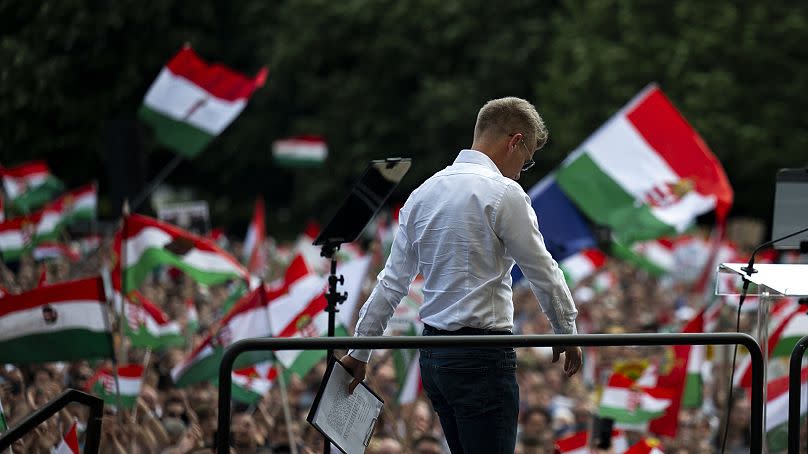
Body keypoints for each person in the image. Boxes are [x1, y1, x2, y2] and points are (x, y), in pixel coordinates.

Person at [341, 97, 582, 453]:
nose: (520, 171)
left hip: (434, 357)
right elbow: (543, 271)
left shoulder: (422, 194)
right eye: (526, 159)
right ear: (514, 141)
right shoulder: (504, 192)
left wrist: (359, 352)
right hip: (482, 356)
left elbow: (391, 284)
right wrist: (566, 330)